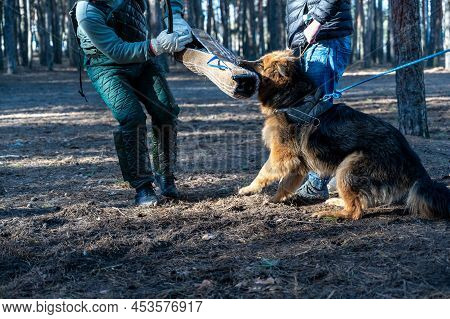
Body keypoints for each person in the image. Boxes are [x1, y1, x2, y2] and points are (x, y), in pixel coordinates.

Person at [74, 0, 191, 206]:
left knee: (166, 110)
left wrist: (175, 16)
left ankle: (166, 176)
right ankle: (142, 186)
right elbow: (117, 51)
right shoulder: (86, 11)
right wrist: (158, 45)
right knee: (131, 117)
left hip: (143, 61)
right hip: (107, 67)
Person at [286, 0, 354, 203]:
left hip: (325, 38)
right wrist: (294, 38)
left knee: (318, 115)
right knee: (307, 113)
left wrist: (316, 22)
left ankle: (317, 184)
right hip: (308, 41)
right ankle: (332, 173)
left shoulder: (321, 27)